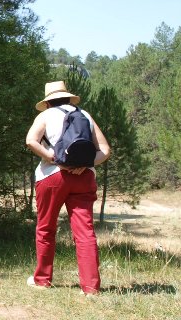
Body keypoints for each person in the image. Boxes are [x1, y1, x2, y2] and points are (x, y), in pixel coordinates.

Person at [24, 80, 110, 295]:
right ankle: (91, 288)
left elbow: (31, 141)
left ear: (48, 101)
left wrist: (53, 158)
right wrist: (85, 164)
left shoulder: (45, 116)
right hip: (84, 178)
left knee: (46, 228)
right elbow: (105, 150)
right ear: (69, 97)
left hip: (52, 177)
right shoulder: (86, 116)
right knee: (85, 232)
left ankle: (42, 279)